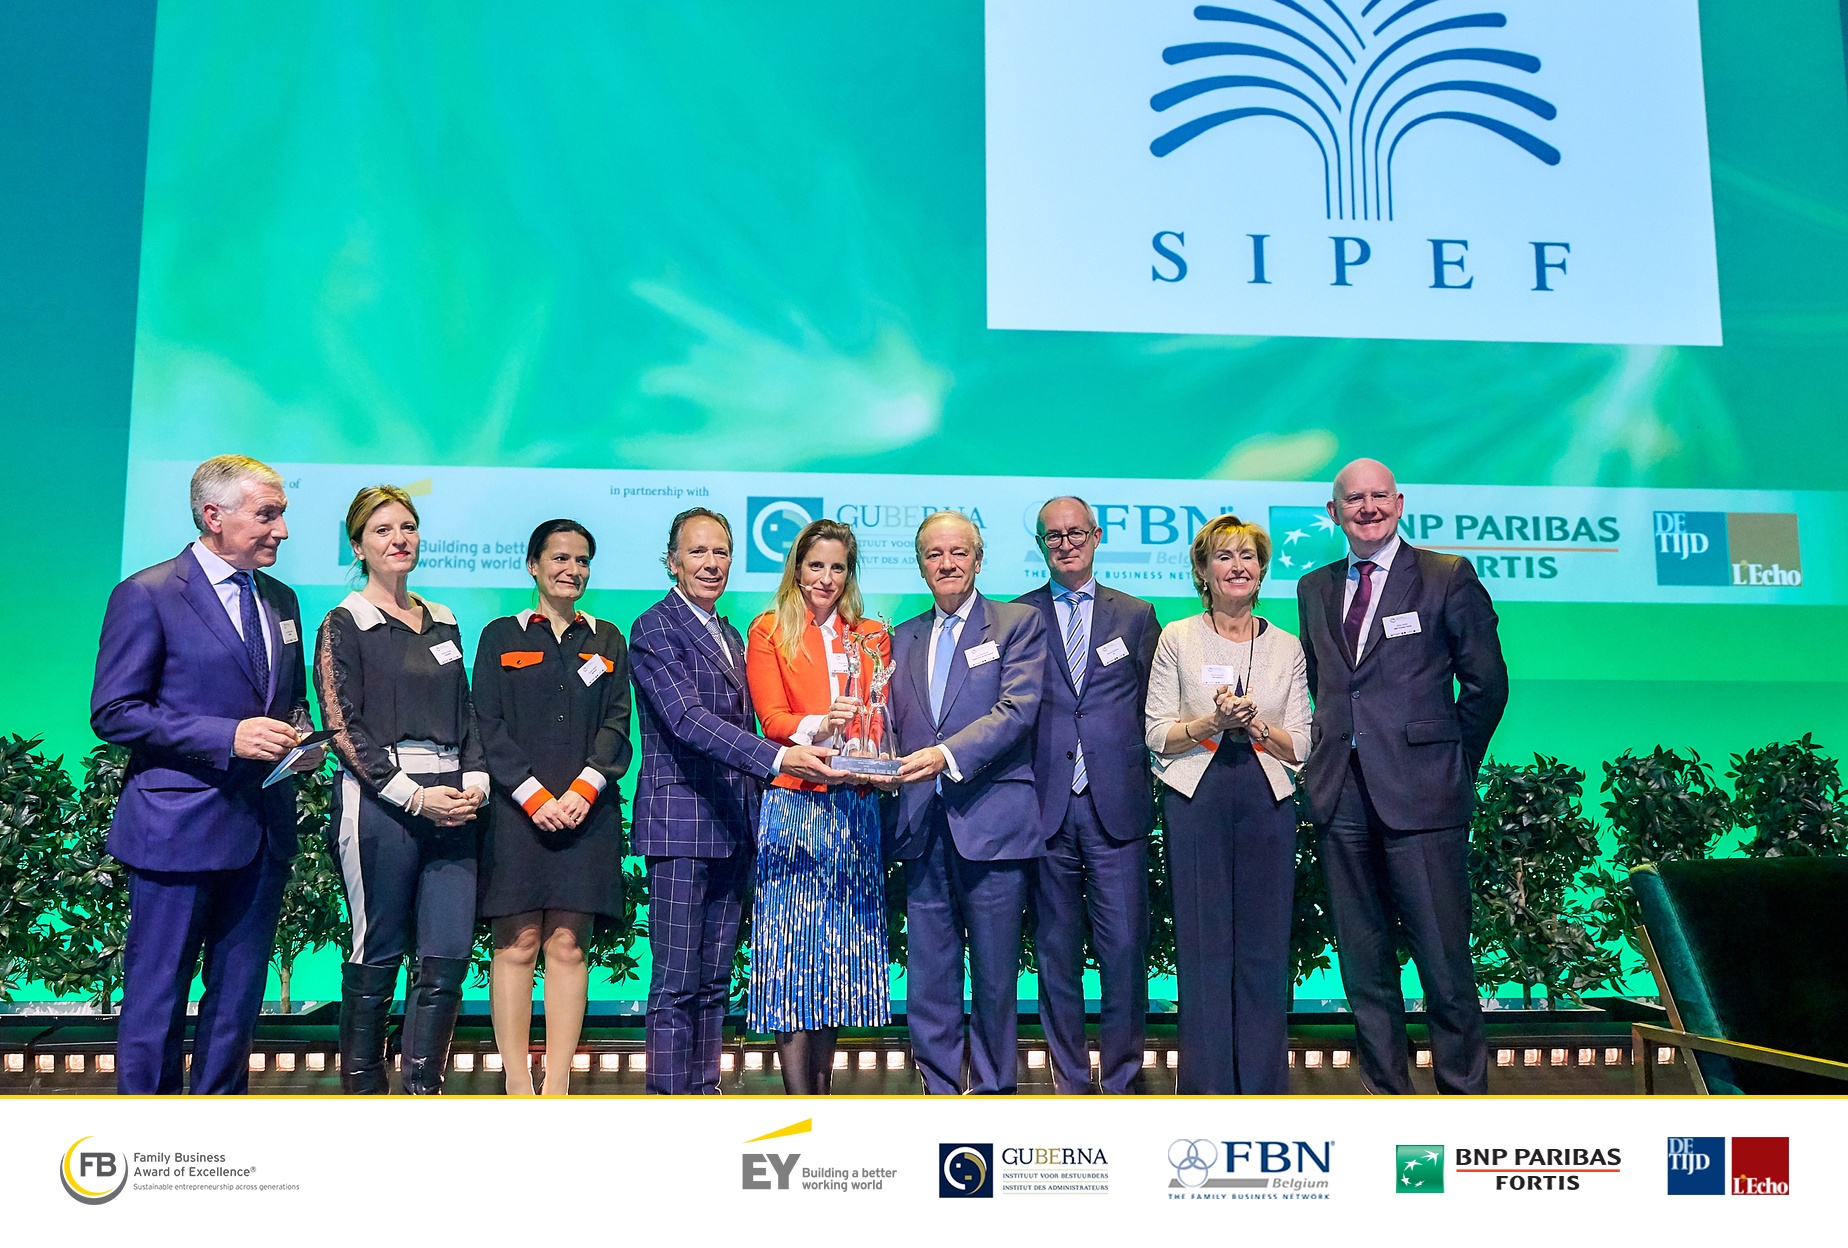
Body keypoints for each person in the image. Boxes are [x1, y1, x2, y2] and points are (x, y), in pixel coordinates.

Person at [91, 456, 316, 1094]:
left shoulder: (281, 599)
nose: (282, 530)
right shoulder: (148, 593)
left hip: (262, 829)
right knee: (157, 992)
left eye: (282, 515)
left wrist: (299, 737)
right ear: (214, 516)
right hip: (177, 826)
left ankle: (217, 1128)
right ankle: (149, 1133)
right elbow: (114, 711)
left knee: (238, 998)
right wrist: (228, 736)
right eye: (267, 515)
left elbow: (287, 700)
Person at [1295, 458, 1509, 1095]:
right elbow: (1325, 687)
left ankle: (1461, 1101)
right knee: (1364, 966)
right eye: (1353, 499)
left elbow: (1486, 685)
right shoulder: (1314, 587)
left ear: (1400, 502)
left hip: (1425, 796)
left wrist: (1450, 763)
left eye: (1379, 496)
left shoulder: (1446, 575)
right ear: (1333, 513)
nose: (1368, 508)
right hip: (1341, 797)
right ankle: (1387, 1096)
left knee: (1444, 962)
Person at [628, 507, 844, 1095]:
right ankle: (669, 1101)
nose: (711, 563)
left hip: (734, 823)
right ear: (673, 561)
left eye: (721, 552)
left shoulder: (729, 633)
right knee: (676, 982)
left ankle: (704, 1091)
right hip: (681, 823)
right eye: (698, 552)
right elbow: (687, 720)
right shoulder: (654, 627)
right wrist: (779, 759)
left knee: (714, 982)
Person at [314, 485, 488, 1095]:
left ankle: (422, 1091)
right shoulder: (345, 622)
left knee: (448, 956)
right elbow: (341, 726)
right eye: (383, 530)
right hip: (380, 804)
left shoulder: (444, 618)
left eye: (407, 527)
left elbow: (465, 710)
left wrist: (475, 780)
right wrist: (412, 795)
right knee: (379, 949)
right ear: (358, 546)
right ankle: (364, 1095)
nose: (399, 540)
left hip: (455, 802)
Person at [1144, 515, 1312, 1094]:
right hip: (1198, 796)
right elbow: (1157, 733)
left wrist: (1257, 725)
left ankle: (1263, 1087)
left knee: (1265, 948)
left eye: (1248, 556)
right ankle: (1207, 1088)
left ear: (1261, 570)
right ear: (1203, 571)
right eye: (1223, 556)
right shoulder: (1177, 637)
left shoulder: (1287, 646)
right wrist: (1212, 722)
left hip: (1267, 797)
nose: (1237, 566)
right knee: (1203, 946)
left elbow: (1302, 743)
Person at [888, 510, 1048, 1095]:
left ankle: (993, 1088)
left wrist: (944, 755)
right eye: (934, 554)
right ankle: (937, 1086)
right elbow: (887, 722)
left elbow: (1017, 711)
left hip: (993, 821)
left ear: (978, 559)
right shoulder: (900, 636)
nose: (947, 563)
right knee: (929, 971)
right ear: (921, 565)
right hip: (919, 821)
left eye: (959, 552)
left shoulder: (1017, 623)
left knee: (995, 973)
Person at [472, 519, 632, 1095]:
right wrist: (534, 796)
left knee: (568, 944)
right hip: (516, 814)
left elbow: (617, 723)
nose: (572, 570)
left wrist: (584, 790)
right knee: (517, 944)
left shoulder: (607, 639)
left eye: (582, 560)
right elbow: (486, 724)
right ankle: (517, 1082)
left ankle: (558, 1082)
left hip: (586, 814)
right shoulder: (500, 636)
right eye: (560, 558)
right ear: (533, 565)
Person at [1014, 496, 1159, 1095]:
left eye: (1076, 533)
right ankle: (1070, 1081)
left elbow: (1155, 708)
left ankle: (1121, 1078)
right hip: (1045, 807)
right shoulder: (1016, 616)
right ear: (1042, 545)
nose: (1066, 544)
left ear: (1097, 537)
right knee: (1055, 954)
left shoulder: (1137, 615)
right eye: (1054, 536)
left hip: (1116, 806)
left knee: (1124, 950)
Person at [744, 519, 892, 1094]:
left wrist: (872, 751)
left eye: (837, 567)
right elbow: (772, 721)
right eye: (815, 566)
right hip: (795, 804)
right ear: (796, 569)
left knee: (840, 955)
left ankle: (824, 1094)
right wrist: (822, 725)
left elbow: (879, 715)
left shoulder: (871, 635)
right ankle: (796, 1098)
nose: (826, 578)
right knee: (790, 953)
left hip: (855, 805)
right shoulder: (769, 630)